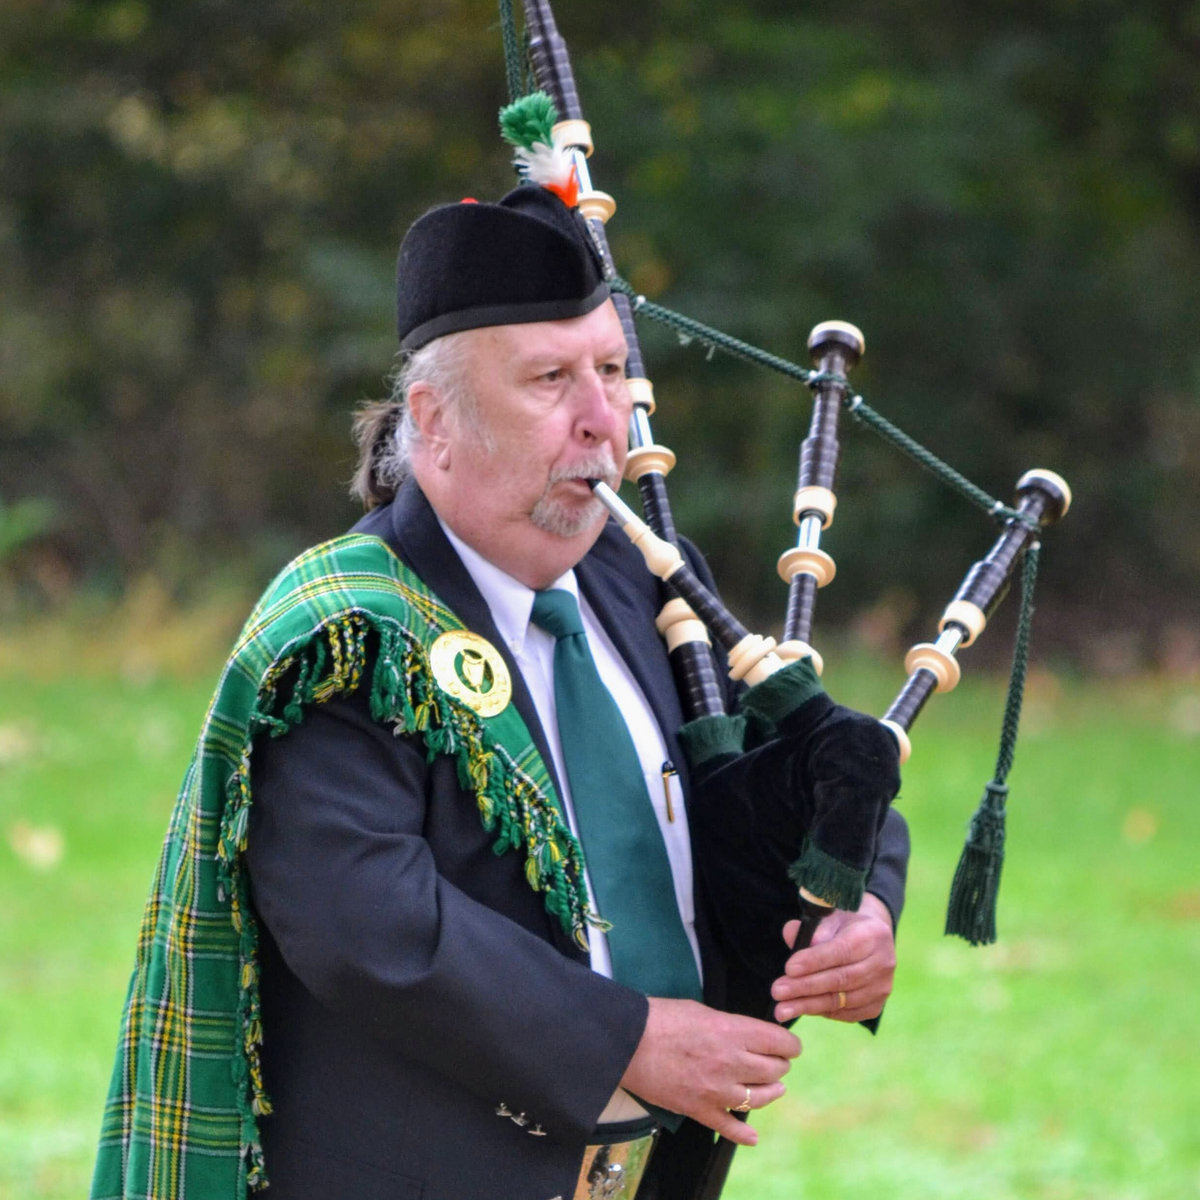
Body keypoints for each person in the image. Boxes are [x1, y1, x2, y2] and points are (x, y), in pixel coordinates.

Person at [91, 182, 907, 1200]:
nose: (602, 420)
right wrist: (627, 1041)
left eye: (611, 370)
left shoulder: (645, 579)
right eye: (550, 378)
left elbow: (789, 769)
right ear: (434, 420)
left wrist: (863, 906)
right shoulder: (350, 634)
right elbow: (368, 923)